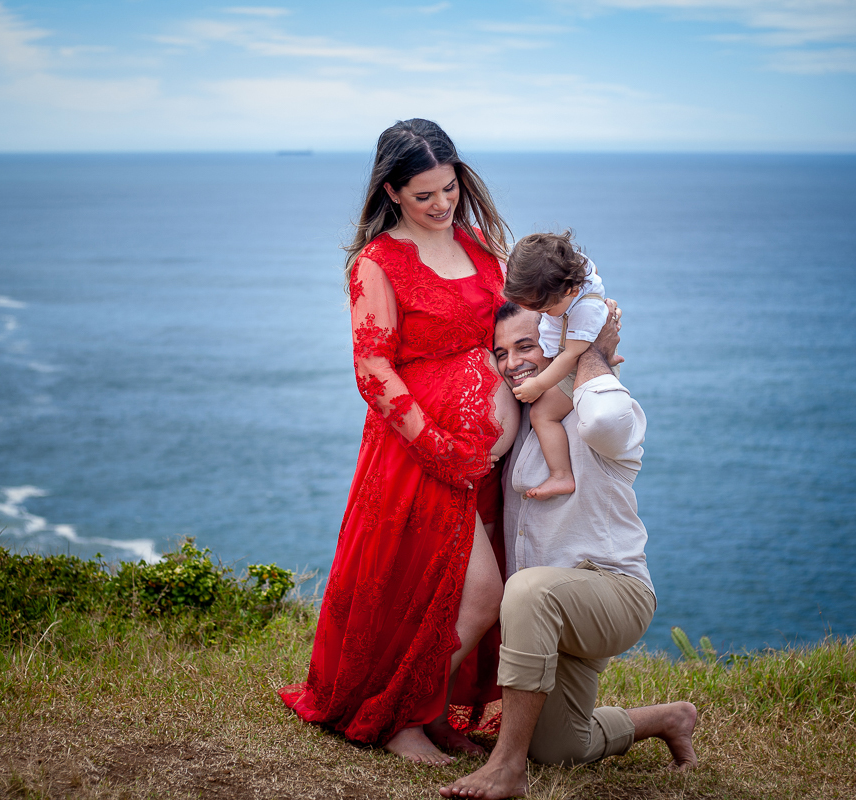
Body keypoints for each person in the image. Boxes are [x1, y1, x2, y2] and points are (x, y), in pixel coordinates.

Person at [279, 119, 520, 765]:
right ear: (391, 191)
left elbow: (512, 329)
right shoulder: (377, 263)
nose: (442, 204)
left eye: (450, 188)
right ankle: (396, 719)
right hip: (424, 456)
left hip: (485, 461)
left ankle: (433, 712)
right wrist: (442, 450)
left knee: (450, 593)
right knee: (478, 592)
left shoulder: (479, 245)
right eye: (424, 195)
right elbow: (372, 369)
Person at [441, 302, 697, 799]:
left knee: (527, 590)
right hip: (549, 615)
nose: (512, 362)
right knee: (559, 747)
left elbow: (602, 418)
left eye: (526, 346)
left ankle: (506, 768)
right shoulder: (520, 421)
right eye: (501, 352)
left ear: (557, 346)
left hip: (612, 593)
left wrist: (591, 353)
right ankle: (669, 718)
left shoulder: (600, 411)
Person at [503, 232, 609, 501]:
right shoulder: (574, 266)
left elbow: (571, 356)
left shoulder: (586, 309)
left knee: (541, 414)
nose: (539, 312)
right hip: (565, 356)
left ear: (570, 290)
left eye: (545, 308)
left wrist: (538, 385)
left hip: (576, 368)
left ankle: (561, 475)